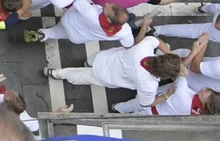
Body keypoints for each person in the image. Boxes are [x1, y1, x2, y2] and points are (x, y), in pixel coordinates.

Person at [50, 31, 183, 112]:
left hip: (104, 57)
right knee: (79, 76)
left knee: (90, 61)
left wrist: (172, 56)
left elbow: (157, 41)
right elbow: (146, 103)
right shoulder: (149, 85)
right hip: (106, 77)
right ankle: (55, 73)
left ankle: (83, 64)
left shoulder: (144, 48)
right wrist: (167, 95)